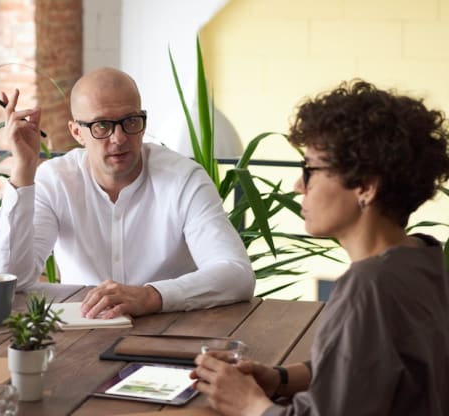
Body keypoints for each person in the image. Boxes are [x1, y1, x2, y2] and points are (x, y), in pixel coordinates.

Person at [191, 80, 449, 415]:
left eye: (310, 169)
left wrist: (250, 405)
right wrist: (279, 378)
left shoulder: (369, 286)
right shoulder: (422, 258)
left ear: (366, 187)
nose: (299, 185)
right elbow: (364, 369)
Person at [0, 67, 254, 318]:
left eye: (130, 121)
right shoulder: (56, 179)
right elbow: (9, 280)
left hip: (169, 330)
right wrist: (23, 169)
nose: (119, 138)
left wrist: (151, 296)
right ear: (77, 132)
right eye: (102, 125)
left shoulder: (184, 179)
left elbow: (236, 274)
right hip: (82, 333)